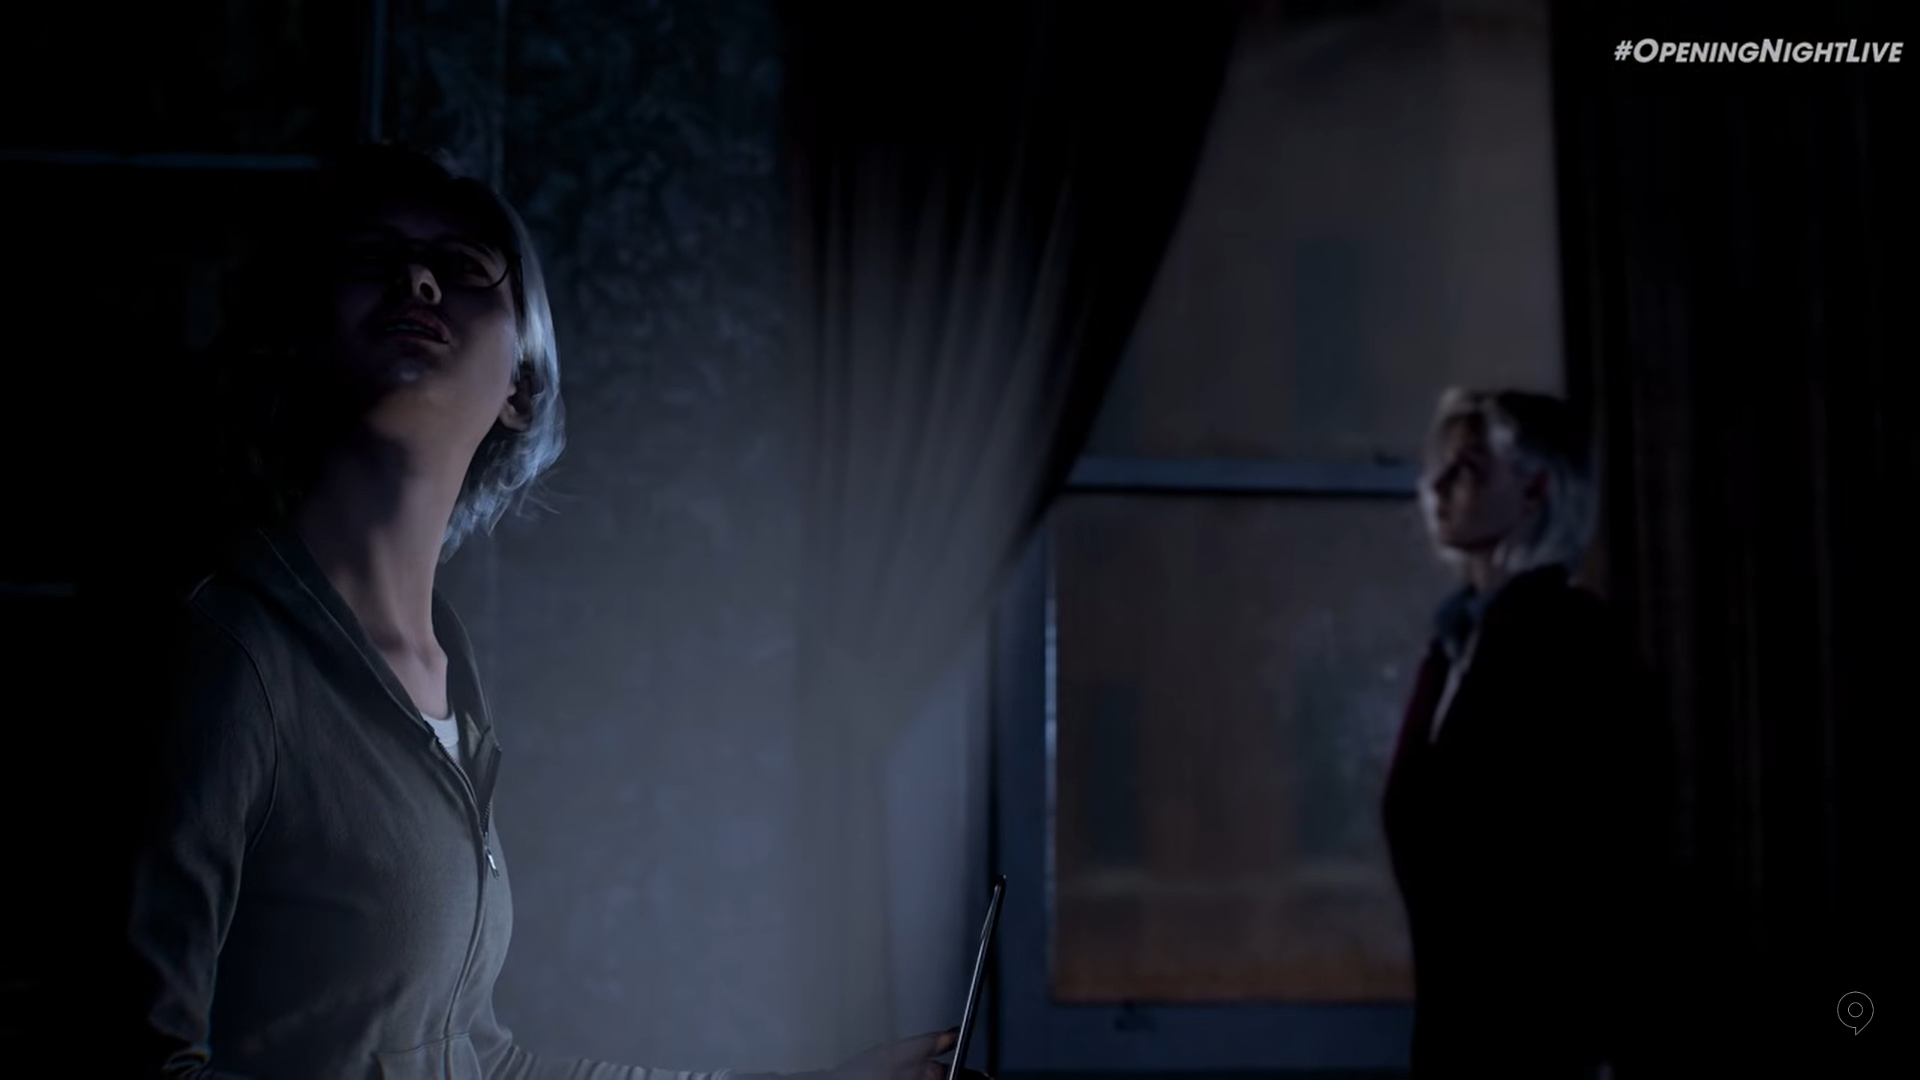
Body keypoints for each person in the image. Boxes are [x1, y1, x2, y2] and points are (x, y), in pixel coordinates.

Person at [109, 143, 964, 1080]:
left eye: (464, 265)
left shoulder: (448, 681)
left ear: (521, 384)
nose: (418, 279)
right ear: (308, 334)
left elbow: (487, 1061)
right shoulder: (230, 655)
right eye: (374, 256)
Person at [1380, 389, 1667, 1078]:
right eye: (1442, 466)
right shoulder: (1454, 646)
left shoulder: (1571, 644)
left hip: (1542, 1041)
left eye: (1472, 469)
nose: (1439, 487)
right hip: (1461, 1032)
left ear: (1537, 486)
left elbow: (1612, 858)